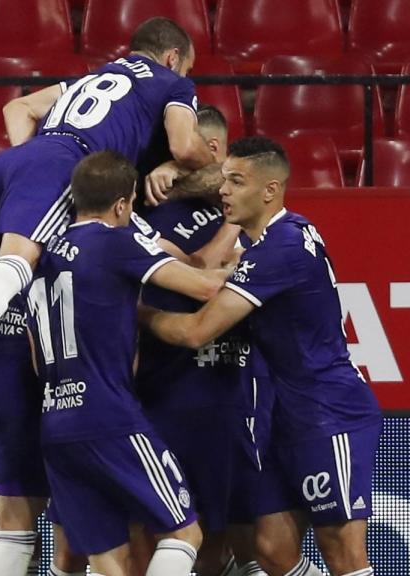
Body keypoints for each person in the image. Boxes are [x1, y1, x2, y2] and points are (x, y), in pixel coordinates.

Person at [0, 17, 215, 576]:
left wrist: (27, 167)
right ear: (173, 59)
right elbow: (188, 146)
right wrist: (182, 164)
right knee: (19, 263)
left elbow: (15, 110)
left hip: (16, 161)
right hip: (93, 406)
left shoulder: (91, 78)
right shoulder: (169, 88)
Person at [141, 137, 382, 576]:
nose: (224, 192)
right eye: (224, 180)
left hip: (327, 412)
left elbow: (197, 332)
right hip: (281, 417)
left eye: (236, 182)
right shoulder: (271, 241)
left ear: (270, 191)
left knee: (342, 552)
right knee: (269, 548)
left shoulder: (280, 249)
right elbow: (214, 265)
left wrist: (139, 310)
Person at [27, 151, 228, 576]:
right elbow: (205, 286)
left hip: (54, 424)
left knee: (108, 564)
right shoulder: (116, 240)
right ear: (123, 204)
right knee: (184, 534)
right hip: (111, 417)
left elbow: (33, 354)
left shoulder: (38, 258)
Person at [135, 106, 270, 576]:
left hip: (233, 394)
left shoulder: (254, 215)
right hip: (163, 393)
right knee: (175, 538)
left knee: (237, 541)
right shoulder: (141, 211)